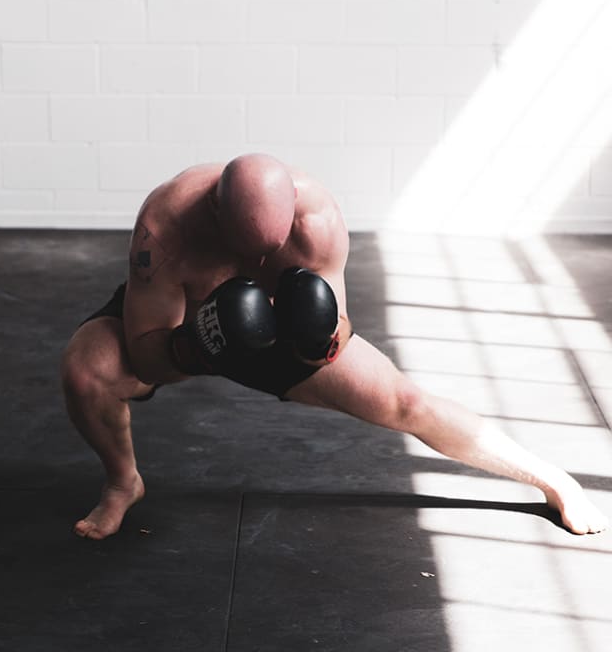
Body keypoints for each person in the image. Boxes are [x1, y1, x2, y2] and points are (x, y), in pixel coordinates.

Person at [61, 153, 608, 540]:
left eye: (269, 251)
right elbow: (146, 356)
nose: (256, 262)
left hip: (279, 324)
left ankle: (553, 480)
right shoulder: (165, 225)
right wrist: (201, 347)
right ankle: (123, 482)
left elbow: (334, 335)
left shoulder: (318, 220)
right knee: (87, 372)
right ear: (215, 213)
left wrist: (317, 337)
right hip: (184, 324)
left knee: (406, 402)